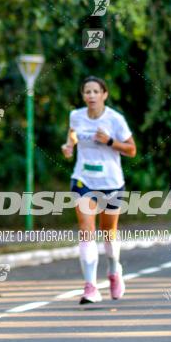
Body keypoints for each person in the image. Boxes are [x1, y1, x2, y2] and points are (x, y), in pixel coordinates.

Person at [61, 76, 136, 305]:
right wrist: (69, 146)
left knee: (108, 232)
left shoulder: (116, 119)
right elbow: (73, 134)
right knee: (86, 229)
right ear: (83, 95)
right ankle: (90, 286)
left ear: (104, 94)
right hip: (83, 180)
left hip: (112, 182)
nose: (91, 95)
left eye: (95, 91)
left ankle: (114, 270)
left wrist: (111, 141)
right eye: (87, 91)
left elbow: (131, 150)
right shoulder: (76, 115)